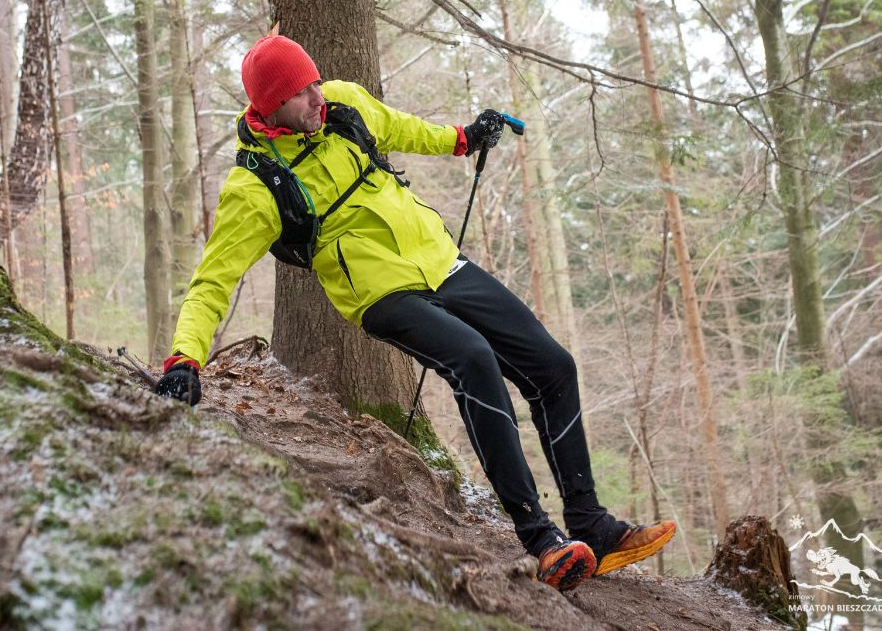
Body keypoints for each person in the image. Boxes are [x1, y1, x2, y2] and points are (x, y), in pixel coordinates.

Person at [155, 35, 675, 591]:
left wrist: (463, 139)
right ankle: (542, 541)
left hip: (439, 259)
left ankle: (590, 522)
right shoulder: (254, 186)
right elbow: (213, 280)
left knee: (553, 365)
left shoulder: (342, 103)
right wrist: (184, 358)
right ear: (270, 104)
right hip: (379, 293)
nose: (316, 96)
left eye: (315, 81)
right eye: (301, 92)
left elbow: (400, 127)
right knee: (473, 359)